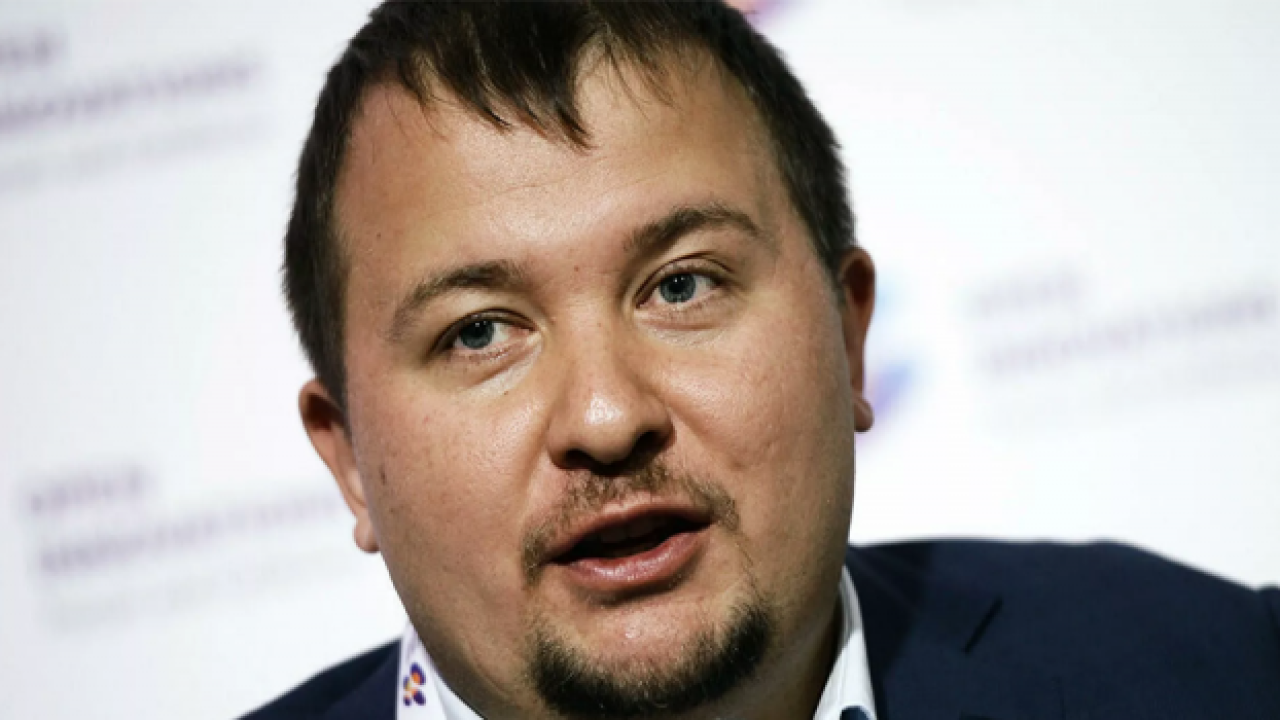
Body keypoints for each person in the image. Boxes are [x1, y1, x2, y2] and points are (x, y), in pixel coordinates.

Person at [246, 2, 1280, 719]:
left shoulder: (1219, 673)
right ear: (349, 460)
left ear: (848, 336)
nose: (606, 417)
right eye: (478, 332)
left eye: (681, 286)